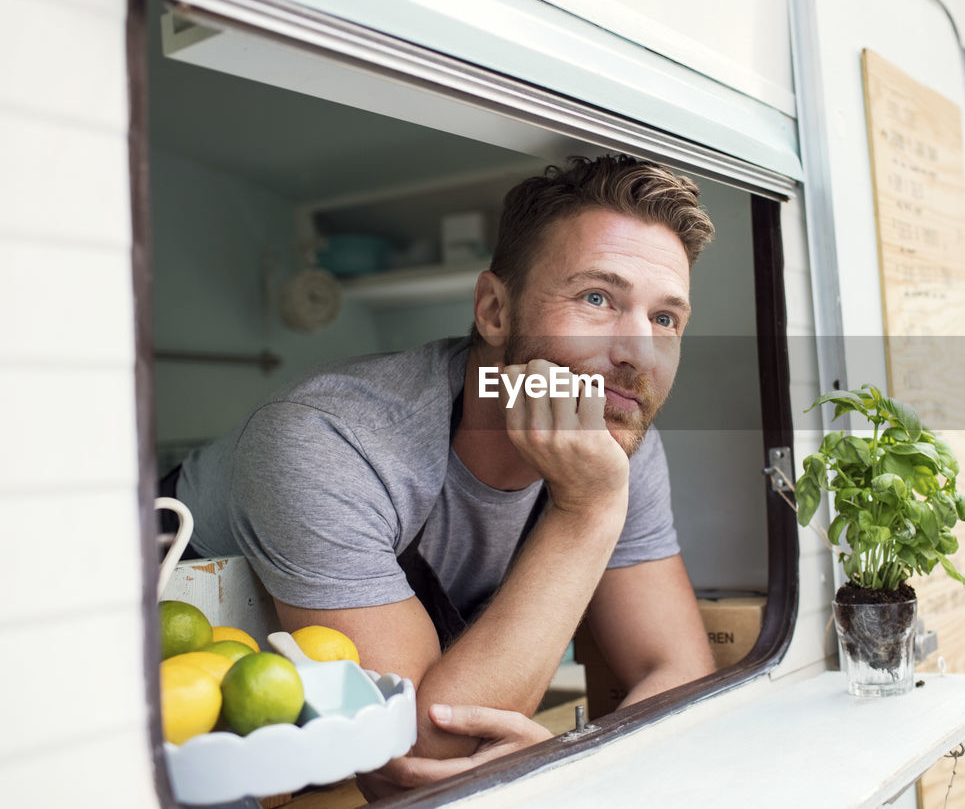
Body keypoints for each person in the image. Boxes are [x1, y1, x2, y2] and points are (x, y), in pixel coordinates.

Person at [172, 154, 718, 794]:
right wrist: (587, 511)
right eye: (597, 298)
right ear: (493, 310)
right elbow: (425, 752)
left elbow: (679, 665)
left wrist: (582, 755)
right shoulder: (328, 438)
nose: (637, 355)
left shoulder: (614, 435)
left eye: (665, 319)